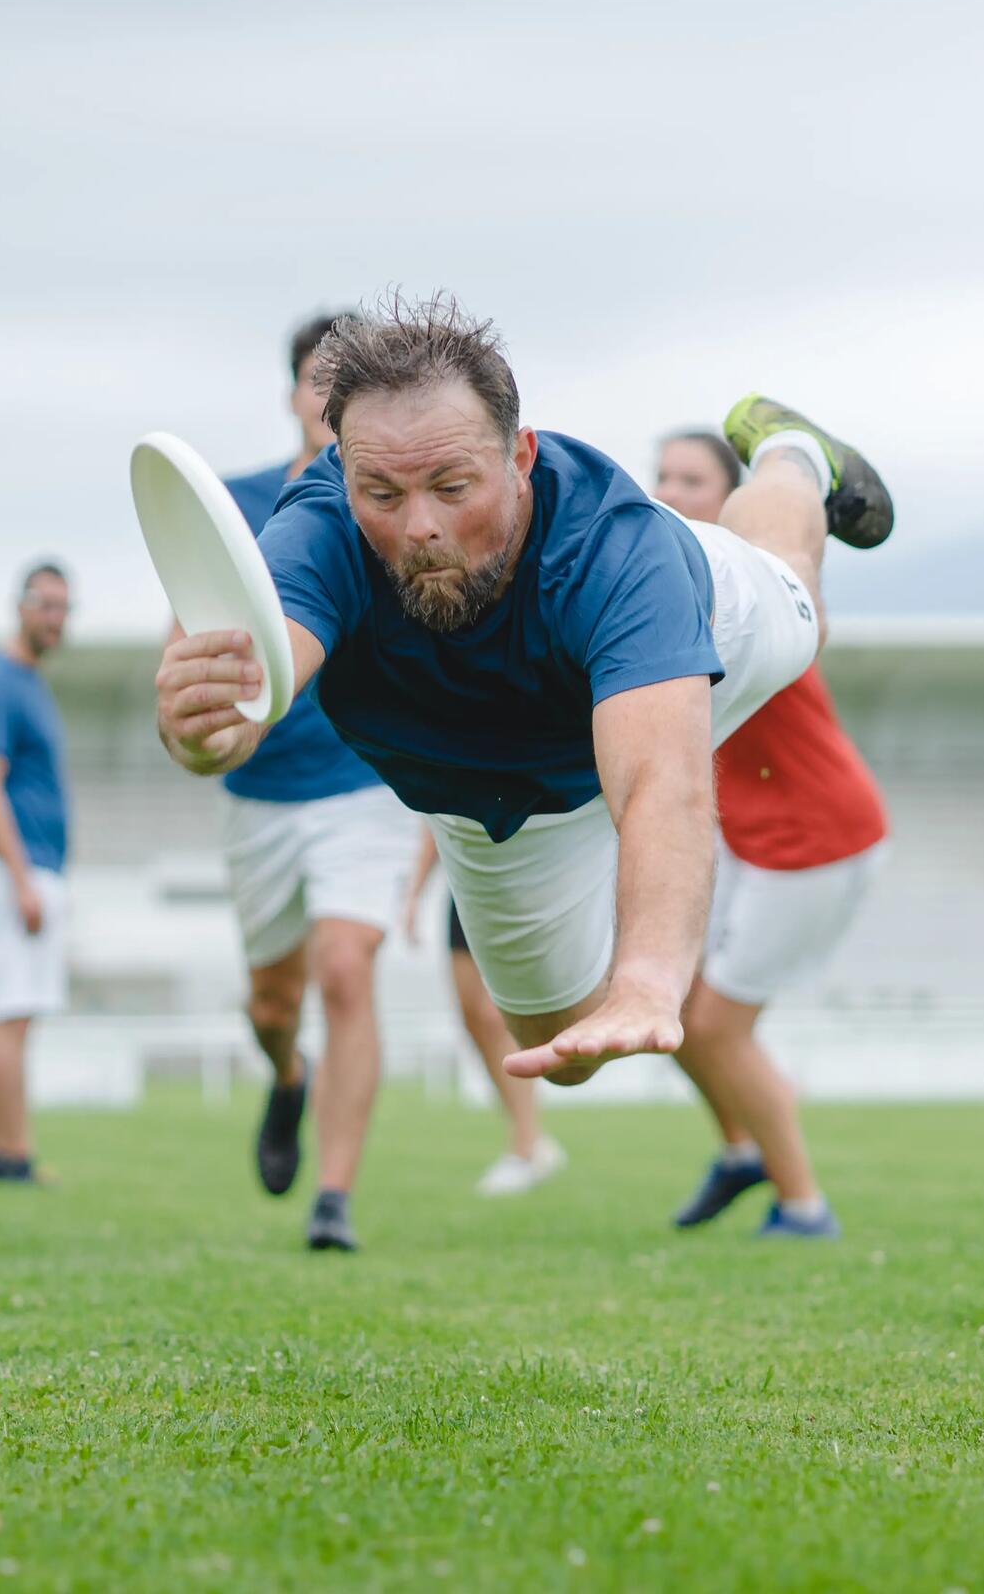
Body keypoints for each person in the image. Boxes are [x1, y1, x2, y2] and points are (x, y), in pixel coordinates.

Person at [153, 296, 893, 1105]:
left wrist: (651, 978)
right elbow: (262, 673)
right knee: (562, 1054)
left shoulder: (618, 553)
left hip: (701, 637)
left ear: (520, 456)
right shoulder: (324, 522)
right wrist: (213, 727)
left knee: (804, 612)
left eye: (451, 484)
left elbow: (658, 784)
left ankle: (792, 455)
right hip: (496, 801)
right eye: (384, 494)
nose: (420, 526)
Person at [213, 315, 420, 1253]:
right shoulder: (234, 503)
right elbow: (202, 633)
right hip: (261, 791)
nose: (326, 395)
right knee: (271, 1003)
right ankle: (286, 1077)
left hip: (362, 780)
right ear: (295, 394)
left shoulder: (400, 504)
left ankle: (333, 1199)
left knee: (346, 970)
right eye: (314, 378)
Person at [653, 430, 888, 1238]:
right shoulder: (662, 583)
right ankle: (740, 1151)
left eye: (693, 478)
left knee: (717, 1027)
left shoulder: (753, 586)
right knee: (673, 1005)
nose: (673, 490)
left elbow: (808, 619)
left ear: (735, 501)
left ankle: (803, 1208)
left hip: (820, 836)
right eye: (663, 477)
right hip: (749, 837)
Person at [0, 562, 74, 1186]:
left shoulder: (30, 682)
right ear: (20, 606)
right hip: (11, 871)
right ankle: (8, 1157)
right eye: (46, 605)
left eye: (64, 608)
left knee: (6, 1016)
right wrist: (21, 878)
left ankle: (9, 1150)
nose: (55, 619)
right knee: (4, 1016)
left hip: (23, 870)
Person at [403, 831, 565, 1196]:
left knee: (494, 1015)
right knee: (471, 1013)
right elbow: (437, 817)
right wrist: (415, 892)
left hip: (529, 863)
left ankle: (526, 1147)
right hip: (468, 873)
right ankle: (532, 1142)